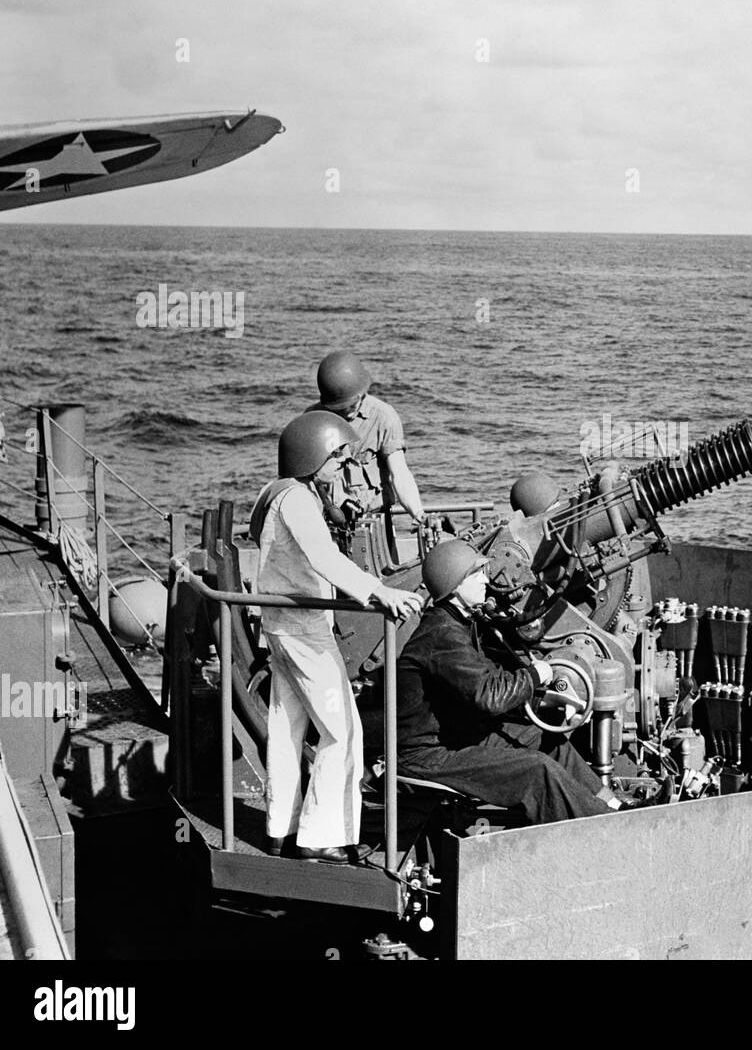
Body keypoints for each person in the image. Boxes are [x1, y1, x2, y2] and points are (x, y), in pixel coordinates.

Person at [252, 410, 424, 864]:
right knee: (342, 730)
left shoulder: (278, 492)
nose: (342, 465)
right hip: (304, 628)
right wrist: (380, 592)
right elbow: (325, 558)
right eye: (336, 457)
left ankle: (280, 829)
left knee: (287, 730)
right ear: (313, 456)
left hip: (278, 626)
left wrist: (330, 501)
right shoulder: (299, 502)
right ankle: (320, 836)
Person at [395, 539, 618, 824]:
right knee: (536, 771)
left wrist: (541, 697)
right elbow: (490, 696)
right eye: (474, 575)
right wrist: (536, 675)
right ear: (454, 587)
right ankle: (608, 827)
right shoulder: (442, 635)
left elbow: (490, 676)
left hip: (456, 736)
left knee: (547, 740)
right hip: (427, 756)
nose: (484, 579)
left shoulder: (460, 623)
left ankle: (614, 805)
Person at [309, 350, 425, 525]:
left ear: (362, 393)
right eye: (340, 408)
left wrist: (419, 514)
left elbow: (399, 473)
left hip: (374, 521)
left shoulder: (384, 417)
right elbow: (302, 479)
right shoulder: (312, 419)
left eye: (351, 405)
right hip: (328, 523)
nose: (347, 412)